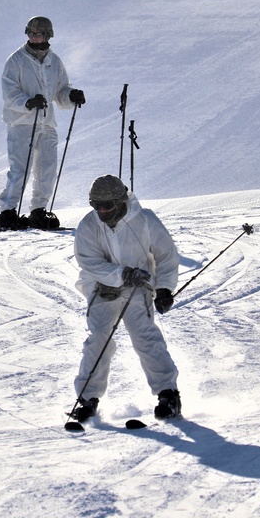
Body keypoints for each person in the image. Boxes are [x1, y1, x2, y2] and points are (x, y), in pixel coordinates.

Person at [69, 175, 182, 423]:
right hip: (101, 288)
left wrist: (164, 288)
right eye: (96, 205)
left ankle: (168, 394)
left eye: (107, 206)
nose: (101, 211)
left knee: (145, 336)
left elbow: (166, 255)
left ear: (120, 201)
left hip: (138, 287)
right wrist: (121, 274)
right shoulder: (89, 226)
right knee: (99, 338)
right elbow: (89, 262)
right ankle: (88, 398)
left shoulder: (145, 220)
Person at [0, 16, 85, 230]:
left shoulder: (54, 61)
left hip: (46, 123)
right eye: (31, 33)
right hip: (22, 122)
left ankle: (39, 211)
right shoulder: (16, 60)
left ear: (47, 35)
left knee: (47, 168)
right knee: (20, 169)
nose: (33, 37)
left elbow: (61, 90)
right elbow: (9, 92)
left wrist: (71, 95)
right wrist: (27, 102)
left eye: (38, 34)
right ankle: (8, 213)